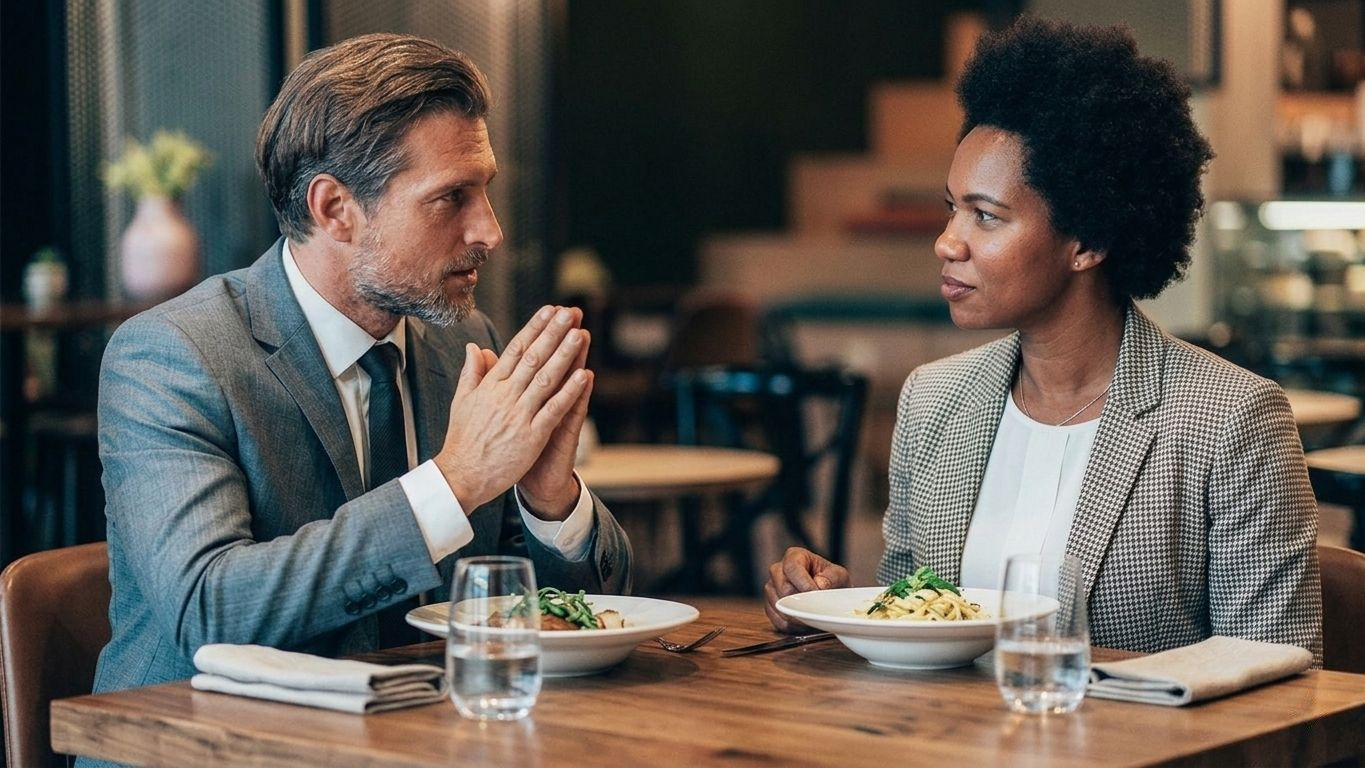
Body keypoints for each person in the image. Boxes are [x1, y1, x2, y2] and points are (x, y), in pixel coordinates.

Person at [764, 17, 1322, 662]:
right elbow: (913, 617)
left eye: (986, 215)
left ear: (1087, 240)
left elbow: (1278, 676)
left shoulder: (1230, 421)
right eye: (952, 208)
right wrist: (838, 603)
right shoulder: (933, 401)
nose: (948, 241)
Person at [93, 33, 633, 697]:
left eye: (485, 191)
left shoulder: (457, 343)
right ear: (334, 209)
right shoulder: (176, 354)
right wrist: (457, 479)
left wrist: (548, 501)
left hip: (426, 731)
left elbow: (564, 608)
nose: (489, 231)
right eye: (450, 197)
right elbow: (210, 610)